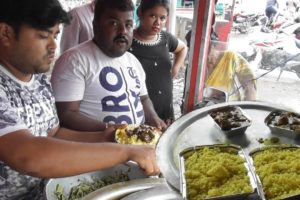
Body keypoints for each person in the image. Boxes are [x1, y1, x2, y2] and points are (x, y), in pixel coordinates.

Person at [0, 0, 160, 199]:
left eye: (55, 35)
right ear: (6, 33)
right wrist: (123, 152)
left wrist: (109, 137)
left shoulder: (39, 81)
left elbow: (55, 133)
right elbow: (27, 155)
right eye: (43, 36)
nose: (53, 46)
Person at [51, 0, 166, 131]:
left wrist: (154, 118)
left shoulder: (133, 61)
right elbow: (66, 114)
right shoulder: (74, 61)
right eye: (114, 23)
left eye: (128, 25)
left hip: (136, 145)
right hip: (96, 148)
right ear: (96, 25)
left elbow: (144, 98)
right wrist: (115, 131)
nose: (123, 31)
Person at [128, 0, 187, 125]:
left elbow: (182, 48)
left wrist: (176, 67)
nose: (158, 22)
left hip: (165, 108)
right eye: (152, 16)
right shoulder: (127, 42)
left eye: (162, 18)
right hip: (139, 110)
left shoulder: (165, 39)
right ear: (140, 13)